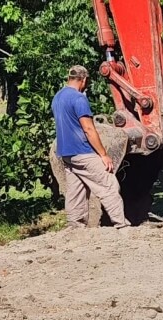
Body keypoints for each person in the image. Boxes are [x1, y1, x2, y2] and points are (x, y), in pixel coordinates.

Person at [52, 65, 129, 229]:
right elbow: (88, 128)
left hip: (66, 153)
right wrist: (103, 154)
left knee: (76, 190)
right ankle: (121, 224)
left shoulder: (58, 98)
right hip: (82, 152)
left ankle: (75, 225)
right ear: (84, 80)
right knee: (108, 184)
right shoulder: (79, 98)